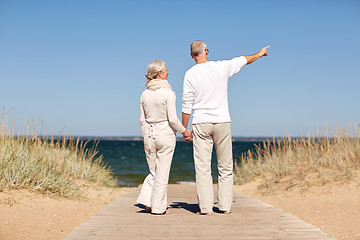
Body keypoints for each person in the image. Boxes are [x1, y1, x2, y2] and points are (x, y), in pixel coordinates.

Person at [182, 40, 270, 215]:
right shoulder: (221, 67)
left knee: (203, 168)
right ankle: (225, 206)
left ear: (192, 55)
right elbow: (243, 60)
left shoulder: (190, 74)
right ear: (206, 51)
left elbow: (186, 104)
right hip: (222, 121)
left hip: (201, 122)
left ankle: (206, 208)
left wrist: (184, 129)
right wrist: (259, 54)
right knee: (225, 167)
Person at [137, 60, 192, 215]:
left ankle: (148, 202)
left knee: (153, 171)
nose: (168, 73)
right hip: (165, 136)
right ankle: (158, 208)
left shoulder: (144, 94)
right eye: (166, 70)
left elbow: (142, 120)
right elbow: (173, 119)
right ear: (160, 73)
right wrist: (185, 132)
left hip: (148, 135)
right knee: (161, 173)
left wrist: (144, 139)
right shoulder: (169, 93)